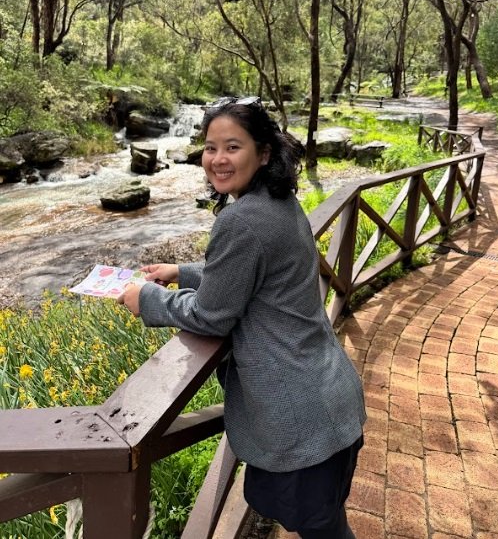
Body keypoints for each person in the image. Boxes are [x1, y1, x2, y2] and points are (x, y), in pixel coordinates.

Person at [119, 97, 366, 539]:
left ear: (263, 153)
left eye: (232, 147)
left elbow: (211, 315)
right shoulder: (279, 200)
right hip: (328, 395)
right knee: (327, 523)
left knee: (325, 531)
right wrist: (184, 272)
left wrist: (149, 298)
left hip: (300, 416)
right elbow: (256, 274)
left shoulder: (242, 220)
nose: (217, 159)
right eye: (210, 148)